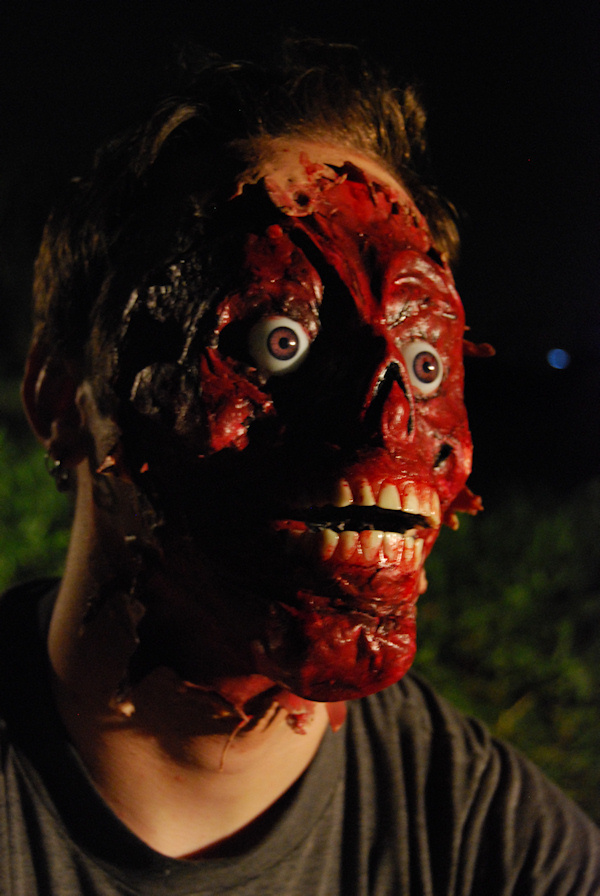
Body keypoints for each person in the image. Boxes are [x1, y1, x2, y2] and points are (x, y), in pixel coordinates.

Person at [2, 40, 599, 895]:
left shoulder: (501, 851)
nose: (385, 422)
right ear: (62, 401)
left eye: (424, 362)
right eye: (275, 343)